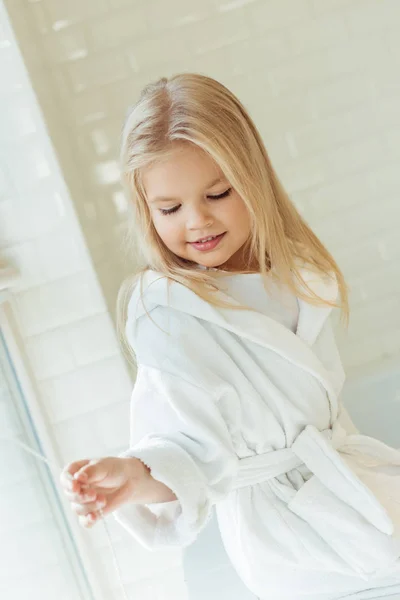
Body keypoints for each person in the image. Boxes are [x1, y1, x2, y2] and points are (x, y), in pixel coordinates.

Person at [60, 73, 400, 600]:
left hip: (357, 494)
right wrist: (133, 475)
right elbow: (187, 448)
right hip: (286, 541)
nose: (196, 221)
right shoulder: (168, 312)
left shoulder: (298, 270)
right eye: (169, 208)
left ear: (254, 178)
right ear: (145, 209)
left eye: (218, 193)